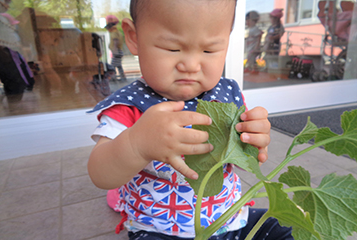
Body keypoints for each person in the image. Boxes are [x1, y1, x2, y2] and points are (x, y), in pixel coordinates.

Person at [87, 1, 293, 239]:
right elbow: (100, 174)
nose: (191, 65)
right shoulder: (130, 105)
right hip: (159, 230)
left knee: (289, 227)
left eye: (209, 50)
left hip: (230, 220)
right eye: (172, 48)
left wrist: (255, 139)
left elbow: (244, 157)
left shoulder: (226, 96)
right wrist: (136, 144)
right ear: (134, 37)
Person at [105, 15, 127, 81]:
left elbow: (115, 42)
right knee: (118, 65)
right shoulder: (118, 32)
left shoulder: (114, 33)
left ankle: (113, 78)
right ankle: (122, 77)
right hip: (118, 51)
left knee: (113, 66)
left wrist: (115, 52)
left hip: (116, 52)